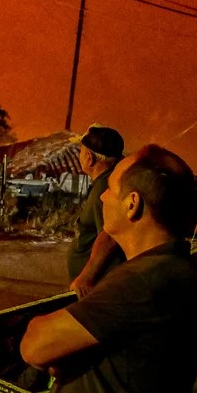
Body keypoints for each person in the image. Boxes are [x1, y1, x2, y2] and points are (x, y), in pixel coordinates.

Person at [20, 144, 197, 393]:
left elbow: (35, 346)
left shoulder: (145, 281)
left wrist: (51, 341)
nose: (103, 196)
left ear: (132, 204)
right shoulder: (168, 268)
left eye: (111, 188)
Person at [67, 124, 126, 297]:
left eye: (80, 151)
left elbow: (109, 233)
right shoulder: (110, 181)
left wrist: (87, 277)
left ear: (89, 157)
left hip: (96, 287)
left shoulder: (104, 187)